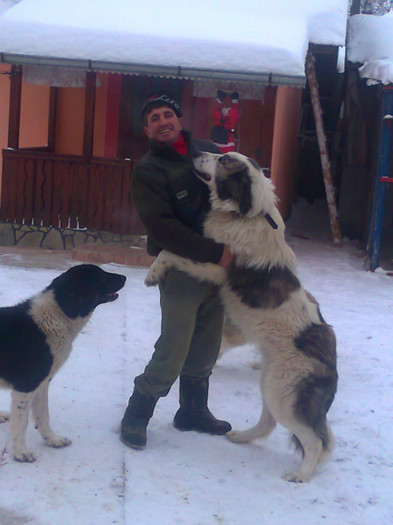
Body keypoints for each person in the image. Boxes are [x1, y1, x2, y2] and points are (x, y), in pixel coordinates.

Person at [120, 91, 233, 449]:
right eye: (154, 118)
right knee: (174, 347)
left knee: (207, 346)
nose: (163, 121)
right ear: (147, 129)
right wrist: (217, 253)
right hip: (183, 269)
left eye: (167, 114)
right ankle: (136, 415)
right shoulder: (149, 170)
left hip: (219, 271)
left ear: (180, 120)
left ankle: (192, 412)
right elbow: (162, 228)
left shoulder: (204, 152)